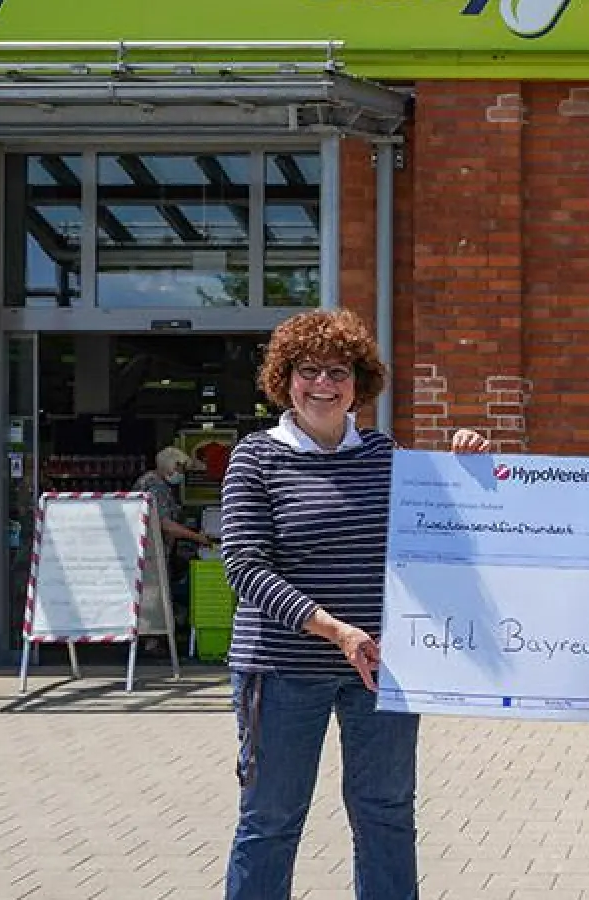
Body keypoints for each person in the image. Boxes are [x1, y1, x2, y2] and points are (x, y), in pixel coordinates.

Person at [220, 309, 491, 900]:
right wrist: (335, 630)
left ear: (358, 382)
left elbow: (440, 538)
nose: (323, 383)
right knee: (271, 820)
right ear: (285, 379)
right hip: (284, 669)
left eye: (337, 371)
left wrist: (467, 469)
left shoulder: (384, 454)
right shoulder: (255, 458)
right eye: (308, 370)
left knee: (386, 815)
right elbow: (244, 567)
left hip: (383, 669)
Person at [132, 446, 214, 652]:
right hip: (150, 553)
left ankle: (152, 639)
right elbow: (163, 523)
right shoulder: (155, 485)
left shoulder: (154, 483)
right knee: (153, 596)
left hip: (152, 551)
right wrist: (197, 537)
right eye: (180, 469)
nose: (181, 475)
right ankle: (151, 642)